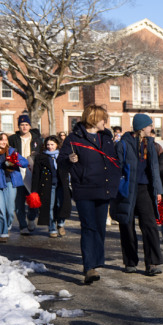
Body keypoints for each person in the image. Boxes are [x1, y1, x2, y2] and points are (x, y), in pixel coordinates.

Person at [59, 105, 120, 285]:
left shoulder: (106, 137)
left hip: (104, 188)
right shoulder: (74, 138)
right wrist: (69, 160)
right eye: (103, 118)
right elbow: (61, 163)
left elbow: (114, 161)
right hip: (84, 189)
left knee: (100, 227)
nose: (105, 122)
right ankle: (89, 267)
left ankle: (96, 260)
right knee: (89, 226)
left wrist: (116, 178)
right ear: (94, 118)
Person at [115, 114, 163, 276]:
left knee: (149, 225)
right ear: (142, 127)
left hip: (145, 189)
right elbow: (118, 168)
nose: (152, 128)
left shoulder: (151, 144)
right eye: (150, 125)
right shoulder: (123, 144)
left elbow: (155, 169)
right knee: (127, 225)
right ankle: (130, 262)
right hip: (128, 189)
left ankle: (152, 263)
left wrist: (158, 190)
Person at [0, 131, 28, 244]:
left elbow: (25, 163)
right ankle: (2, 233)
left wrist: (15, 161)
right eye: (1, 139)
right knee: (0, 210)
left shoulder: (12, 152)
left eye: (5, 139)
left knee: (10, 210)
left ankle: (7, 224)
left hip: (11, 183)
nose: (4, 142)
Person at [32, 135, 71, 238]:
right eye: (48, 144)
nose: (50, 147)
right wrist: (34, 190)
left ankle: (61, 224)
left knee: (61, 204)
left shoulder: (63, 156)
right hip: (48, 185)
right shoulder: (41, 157)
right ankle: (52, 228)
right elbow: (36, 174)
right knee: (49, 207)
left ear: (57, 145)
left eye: (52, 144)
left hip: (61, 185)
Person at [10, 114, 41, 234]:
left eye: (26, 125)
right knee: (19, 201)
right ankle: (22, 225)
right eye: (22, 125)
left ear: (29, 126)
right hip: (17, 172)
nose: (24, 127)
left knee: (33, 198)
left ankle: (31, 218)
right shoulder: (13, 138)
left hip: (32, 171)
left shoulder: (36, 139)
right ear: (18, 126)